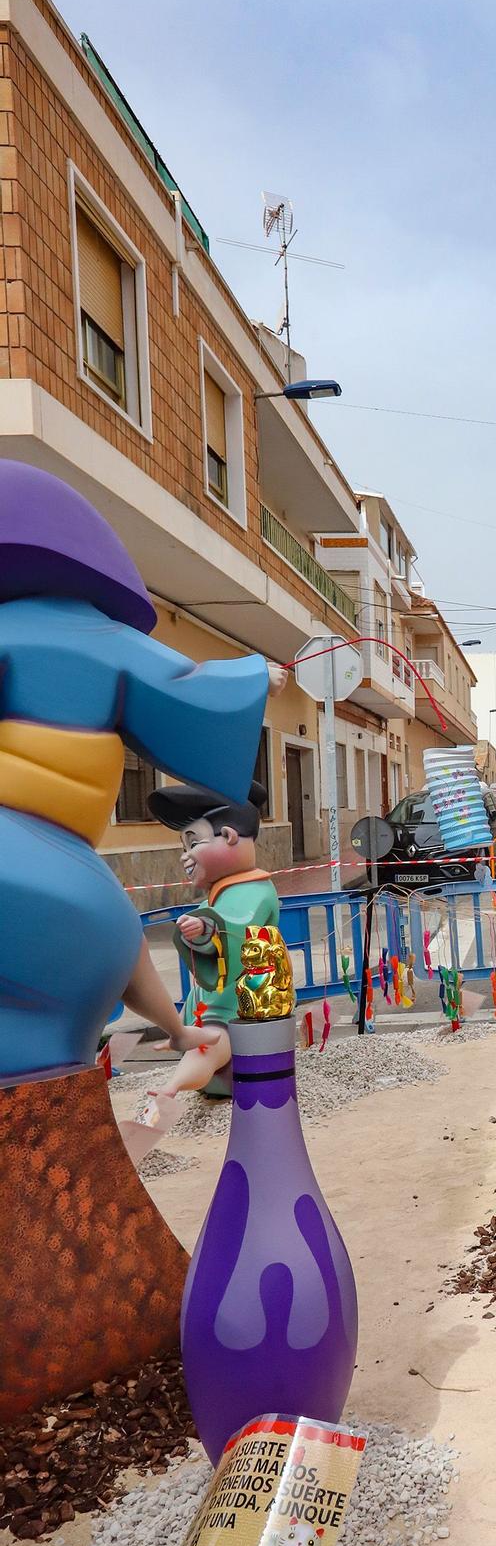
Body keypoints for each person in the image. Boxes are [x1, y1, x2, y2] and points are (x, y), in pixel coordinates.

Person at [0, 459, 276, 1084]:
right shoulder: (98, 638)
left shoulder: (68, 636)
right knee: (100, 925)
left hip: (48, 868)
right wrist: (257, 676)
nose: (188, 852)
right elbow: (191, 693)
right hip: (47, 870)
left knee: (98, 926)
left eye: (194, 838)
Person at [141, 778, 281, 1115]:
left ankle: (172, 1086)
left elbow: (236, 923)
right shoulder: (226, 887)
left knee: (212, 1040)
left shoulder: (255, 890)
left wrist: (205, 925)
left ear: (229, 836)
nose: (185, 857)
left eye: (192, 843)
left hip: (242, 997)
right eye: (184, 846)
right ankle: (180, 1058)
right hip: (222, 993)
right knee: (204, 1031)